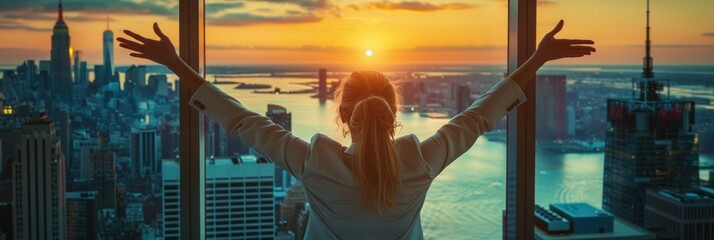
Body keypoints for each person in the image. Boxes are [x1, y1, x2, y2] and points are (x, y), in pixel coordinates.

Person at [118, 20, 595, 239]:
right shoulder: (420, 163)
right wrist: (537, 58)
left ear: (342, 117)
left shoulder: (314, 164)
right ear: (394, 115)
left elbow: (243, 121)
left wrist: (178, 65)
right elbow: (479, 116)